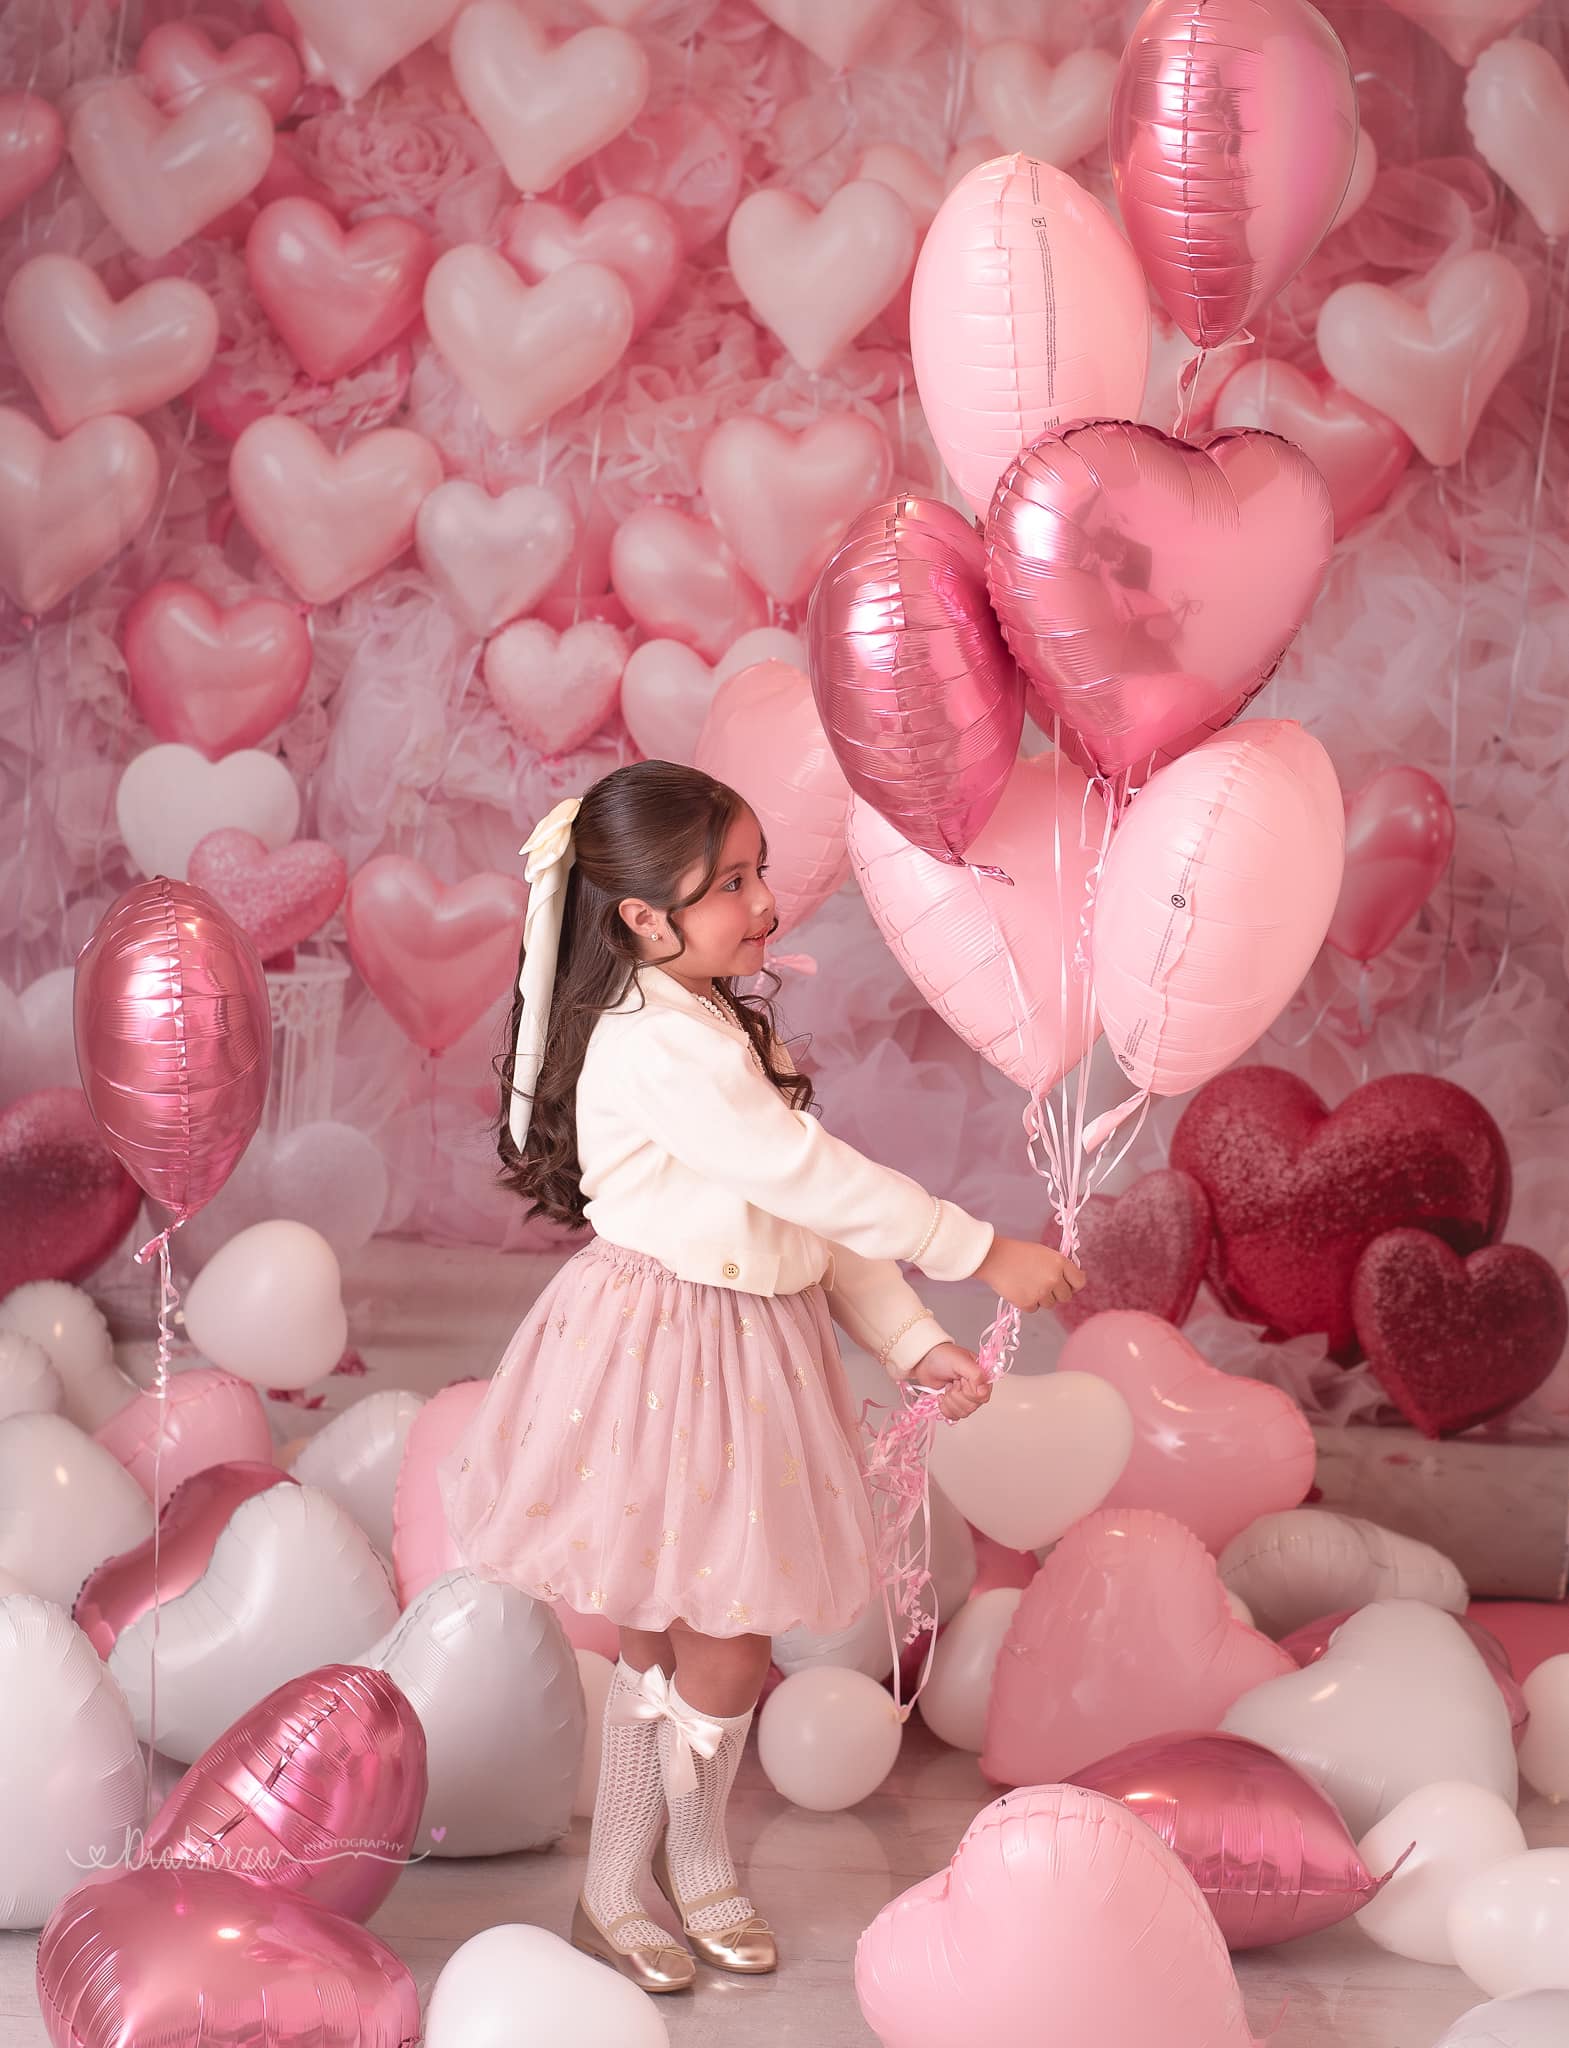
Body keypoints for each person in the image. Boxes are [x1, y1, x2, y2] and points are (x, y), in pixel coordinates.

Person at [438, 760, 1085, 1995]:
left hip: (742, 1348)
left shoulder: (720, 1020)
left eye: (758, 873)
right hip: (665, 1352)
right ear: (642, 917)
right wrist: (977, 1248)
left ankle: (642, 1872)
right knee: (705, 1637)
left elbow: (808, 1212)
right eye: (730, 883)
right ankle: (656, 1867)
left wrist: (909, 1335)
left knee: (683, 1633)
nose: (765, 903)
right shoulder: (654, 1043)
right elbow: (807, 1176)